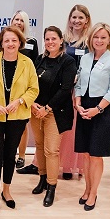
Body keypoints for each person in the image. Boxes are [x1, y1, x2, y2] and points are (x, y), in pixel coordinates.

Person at [19, 5, 91, 178]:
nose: (76, 21)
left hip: (75, 91)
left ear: (87, 20)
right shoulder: (63, 39)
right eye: (73, 17)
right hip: (53, 90)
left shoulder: (90, 41)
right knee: (47, 136)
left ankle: (67, 167)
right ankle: (42, 166)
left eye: (80, 17)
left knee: (68, 132)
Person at [0, 26, 39, 216]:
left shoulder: (27, 63)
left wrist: (20, 101)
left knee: (10, 155)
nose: (10, 44)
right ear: (1, 43)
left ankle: (6, 189)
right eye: (6, 41)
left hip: (17, 117)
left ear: (20, 43)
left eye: (14, 40)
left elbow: (33, 89)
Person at [74, 22, 110, 211]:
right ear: (90, 38)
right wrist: (78, 104)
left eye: (103, 37)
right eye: (96, 37)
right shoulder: (85, 59)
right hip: (84, 107)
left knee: (95, 156)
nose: (99, 40)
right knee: (85, 155)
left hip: (102, 110)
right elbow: (78, 84)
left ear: (109, 39)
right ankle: (86, 189)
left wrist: (98, 109)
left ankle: (93, 193)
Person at [30, 26, 77, 207]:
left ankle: (51, 187)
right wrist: (34, 104)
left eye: (53, 39)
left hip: (55, 113)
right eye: (47, 39)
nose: (50, 42)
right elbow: (31, 83)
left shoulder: (68, 62)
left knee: (51, 150)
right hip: (36, 110)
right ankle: (42, 179)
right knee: (40, 147)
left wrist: (47, 108)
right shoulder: (40, 59)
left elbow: (65, 90)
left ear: (60, 41)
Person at [10, 10, 40, 170]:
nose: (19, 22)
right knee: (6, 125)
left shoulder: (32, 42)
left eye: (22, 20)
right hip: (6, 89)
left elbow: (35, 66)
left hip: (23, 90)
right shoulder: (4, 39)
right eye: (16, 19)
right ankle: (9, 154)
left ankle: (21, 156)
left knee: (22, 125)